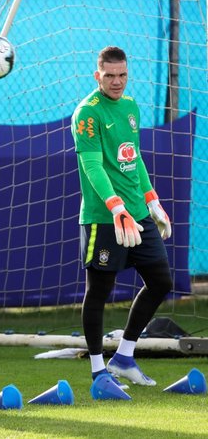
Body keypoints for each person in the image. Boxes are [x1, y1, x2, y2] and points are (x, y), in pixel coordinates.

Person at [71, 46, 173, 389]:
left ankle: (125, 358)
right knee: (99, 290)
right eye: (110, 75)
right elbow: (92, 165)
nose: (117, 82)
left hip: (138, 215)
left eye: (123, 75)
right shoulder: (88, 113)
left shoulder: (130, 107)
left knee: (161, 282)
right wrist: (116, 207)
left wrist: (151, 199)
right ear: (97, 75)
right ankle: (99, 372)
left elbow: (135, 157)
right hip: (105, 218)